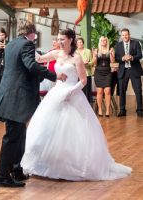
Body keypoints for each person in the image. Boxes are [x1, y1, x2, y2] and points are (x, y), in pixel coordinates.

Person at [20, 29, 132, 181]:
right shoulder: (56, 53)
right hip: (56, 93)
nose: (59, 42)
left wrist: (71, 92)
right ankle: (48, 162)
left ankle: (73, 165)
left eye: (62, 39)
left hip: (72, 94)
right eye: (58, 39)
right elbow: (39, 59)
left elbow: (83, 80)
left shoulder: (77, 58)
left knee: (73, 131)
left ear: (70, 40)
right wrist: (28, 43)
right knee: (45, 127)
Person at [0, 20, 63, 187]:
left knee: (20, 134)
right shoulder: (27, 45)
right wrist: (53, 75)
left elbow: (19, 68)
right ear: (31, 33)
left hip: (10, 94)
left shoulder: (11, 44)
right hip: (17, 97)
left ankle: (16, 170)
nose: (34, 37)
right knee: (12, 137)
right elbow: (30, 66)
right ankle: (2, 177)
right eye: (34, 34)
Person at [114, 28, 143, 117]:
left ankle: (140, 110)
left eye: (126, 35)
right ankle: (122, 110)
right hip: (123, 71)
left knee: (138, 91)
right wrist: (122, 58)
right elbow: (116, 58)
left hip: (134, 70)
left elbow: (140, 55)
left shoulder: (136, 43)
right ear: (121, 36)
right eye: (123, 35)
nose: (125, 36)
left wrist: (132, 58)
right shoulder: (118, 45)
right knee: (122, 91)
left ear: (129, 35)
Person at [93, 36, 115, 117]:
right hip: (98, 73)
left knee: (108, 91)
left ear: (106, 42)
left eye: (104, 40)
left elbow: (112, 61)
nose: (103, 42)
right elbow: (94, 63)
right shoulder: (96, 50)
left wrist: (112, 54)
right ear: (100, 42)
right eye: (101, 40)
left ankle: (108, 110)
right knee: (99, 92)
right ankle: (100, 109)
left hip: (107, 73)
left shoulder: (110, 50)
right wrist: (95, 55)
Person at [76, 37, 94, 104]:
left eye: (81, 42)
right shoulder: (74, 52)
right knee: (79, 91)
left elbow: (92, 63)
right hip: (77, 74)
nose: (80, 44)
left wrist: (87, 63)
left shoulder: (88, 51)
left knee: (87, 91)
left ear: (83, 43)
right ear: (76, 44)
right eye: (78, 42)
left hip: (87, 74)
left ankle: (87, 105)